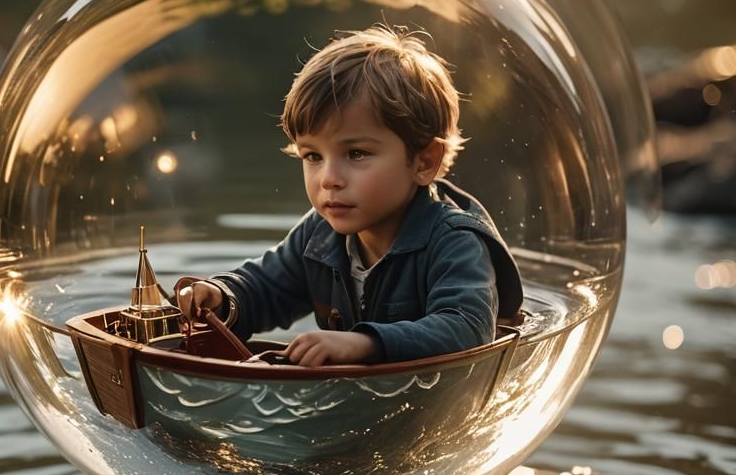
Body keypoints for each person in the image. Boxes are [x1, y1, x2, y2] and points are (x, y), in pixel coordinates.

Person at [176, 24, 523, 367]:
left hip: (429, 405)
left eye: (356, 153)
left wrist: (365, 343)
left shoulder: (454, 242)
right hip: (356, 403)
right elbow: (267, 288)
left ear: (423, 161)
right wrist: (222, 296)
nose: (329, 179)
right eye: (313, 156)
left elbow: (466, 327)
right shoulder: (319, 233)